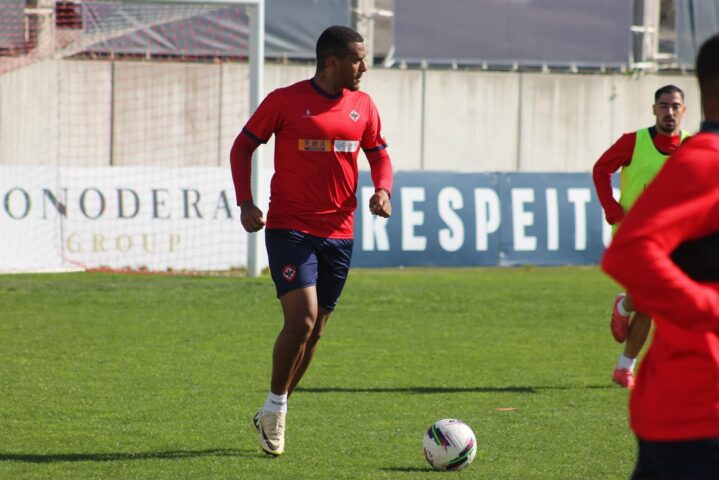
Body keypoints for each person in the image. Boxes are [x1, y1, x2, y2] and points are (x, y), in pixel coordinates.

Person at [229, 25, 393, 456]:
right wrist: (245, 201)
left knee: (316, 331)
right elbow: (242, 148)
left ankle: (272, 408)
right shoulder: (284, 101)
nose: (364, 66)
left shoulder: (364, 106)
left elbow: (379, 154)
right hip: (290, 228)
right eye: (358, 59)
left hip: (339, 232)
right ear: (332, 61)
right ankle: (277, 410)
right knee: (302, 319)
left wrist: (382, 189)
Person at [601, 33, 719, 479]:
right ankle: (626, 329)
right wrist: (709, 308)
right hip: (699, 411)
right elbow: (628, 253)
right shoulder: (703, 162)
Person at [592, 84, 690, 389]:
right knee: (653, 296)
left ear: (683, 111)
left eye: (675, 106)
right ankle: (624, 312)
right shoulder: (633, 142)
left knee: (650, 302)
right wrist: (612, 209)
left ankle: (624, 365)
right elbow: (600, 170)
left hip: (671, 239)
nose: (669, 112)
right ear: (653, 109)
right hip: (633, 236)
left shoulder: (693, 146)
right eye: (663, 105)